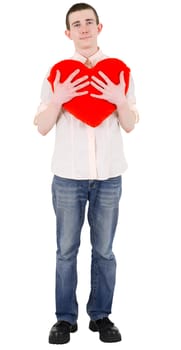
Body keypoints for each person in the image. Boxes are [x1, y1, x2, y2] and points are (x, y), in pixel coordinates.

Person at [34, 2, 139, 344]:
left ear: (99, 27)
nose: (83, 28)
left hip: (109, 176)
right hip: (68, 176)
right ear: (68, 33)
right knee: (66, 249)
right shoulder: (58, 73)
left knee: (104, 249)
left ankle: (101, 316)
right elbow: (42, 127)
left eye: (88, 22)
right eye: (76, 24)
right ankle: (64, 319)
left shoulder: (119, 70)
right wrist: (58, 99)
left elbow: (129, 125)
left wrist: (120, 100)